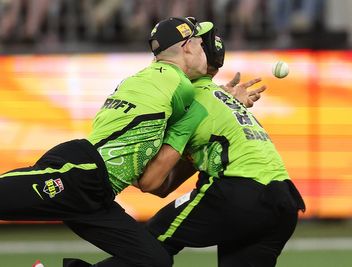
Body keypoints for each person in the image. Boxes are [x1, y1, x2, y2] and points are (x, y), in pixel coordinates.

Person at [0, 16, 213, 267]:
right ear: (187, 46)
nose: (205, 52)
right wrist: (227, 99)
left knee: (155, 262)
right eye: (200, 44)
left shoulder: (147, 77)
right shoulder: (179, 85)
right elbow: (202, 105)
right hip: (83, 173)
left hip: (98, 192)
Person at [142, 26, 306, 267]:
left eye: (195, 44)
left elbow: (154, 183)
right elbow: (164, 185)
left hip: (240, 193)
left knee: (147, 242)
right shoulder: (224, 99)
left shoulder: (184, 96)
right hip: (283, 199)